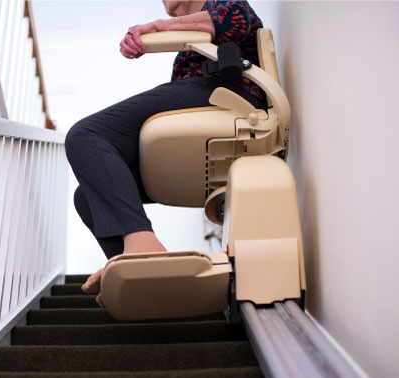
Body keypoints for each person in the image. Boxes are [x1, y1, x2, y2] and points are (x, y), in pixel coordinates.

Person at [64, 0, 266, 306]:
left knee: (86, 135)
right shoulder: (186, 52)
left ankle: (143, 247)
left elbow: (232, 19)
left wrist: (156, 27)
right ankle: (140, 275)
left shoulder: (228, 4)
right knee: (87, 195)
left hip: (229, 95)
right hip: (204, 113)